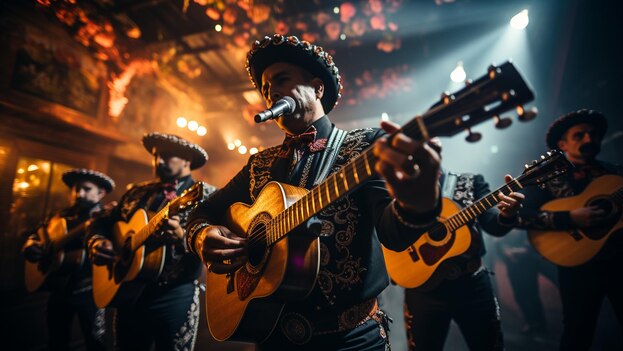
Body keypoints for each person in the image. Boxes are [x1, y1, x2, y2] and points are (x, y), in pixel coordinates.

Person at [184, 34, 442, 350]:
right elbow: (201, 212)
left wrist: (418, 202)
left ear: (318, 88)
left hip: (351, 339)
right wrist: (202, 237)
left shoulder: (364, 146)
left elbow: (394, 235)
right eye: (266, 89)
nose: (271, 92)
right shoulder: (258, 164)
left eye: (282, 79)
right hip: (270, 335)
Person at [86, 132, 216, 351]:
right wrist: (97, 242)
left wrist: (183, 238)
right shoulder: (136, 193)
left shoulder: (208, 196)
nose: (159, 161)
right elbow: (101, 224)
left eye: (167, 156)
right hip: (129, 292)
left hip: (176, 293)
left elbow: (218, 244)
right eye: (156, 156)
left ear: (187, 160)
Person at [515, 109, 623, 350]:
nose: (589, 139)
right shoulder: (547, 178)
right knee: (578, 331)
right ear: (562, 144)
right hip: (578, 264)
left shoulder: (617, 174)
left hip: (621, 260)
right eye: (580, 135)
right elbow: (521, 217)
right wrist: (570, 217)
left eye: (593, 134)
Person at [403, 139, 525, 351]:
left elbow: (493, 225)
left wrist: (508, 215)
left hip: (471, 284)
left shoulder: (470, 182)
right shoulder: (401, 192)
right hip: (423, 289)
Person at [22, 168, 115, 351]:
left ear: (101, 193)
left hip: (90, 290)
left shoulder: (105, 219)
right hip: (59, 290)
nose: (78, 193)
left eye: (86, 189)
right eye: (75, 189)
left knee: (96, 342)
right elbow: (36, 233)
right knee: (56, 341)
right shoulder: (58, 216)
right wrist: (30, 244)